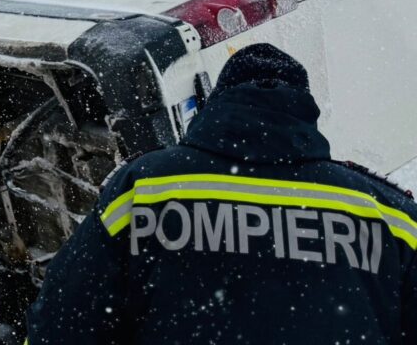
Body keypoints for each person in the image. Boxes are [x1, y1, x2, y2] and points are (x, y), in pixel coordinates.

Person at [26, 43, 417, 344]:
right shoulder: (390, 215)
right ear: (305, 112)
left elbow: (64, 318)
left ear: (216, 103)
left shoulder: (144, 187)